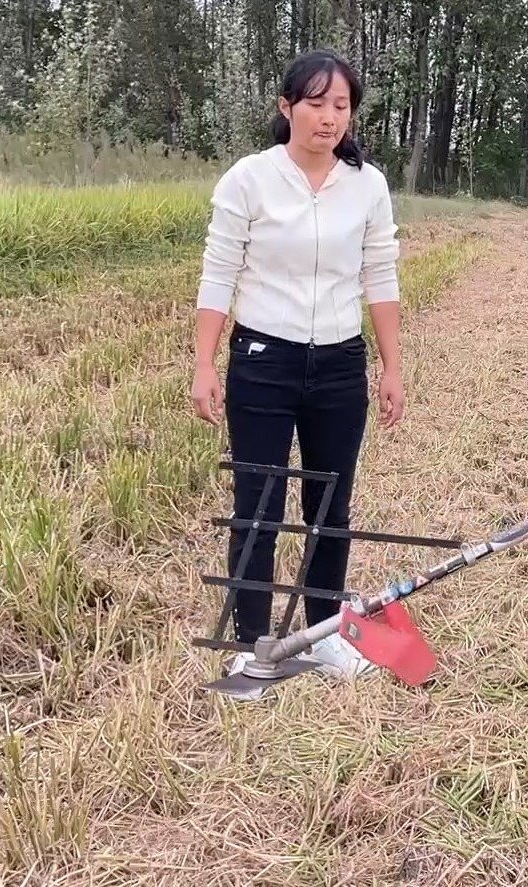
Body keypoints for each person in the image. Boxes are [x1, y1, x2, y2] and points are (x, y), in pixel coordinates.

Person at [190, 48, 405, 682]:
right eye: (316, 104)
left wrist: (392, 366)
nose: (329, 118)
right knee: (258, 504)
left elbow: (380, 276)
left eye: (341, 106)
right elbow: (219, 274)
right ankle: (253, 644)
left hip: (340, 364)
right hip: (263, 360)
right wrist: (205, 363)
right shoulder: (249, 180)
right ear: (287, 108)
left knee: (329, 506)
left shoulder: (366, 185)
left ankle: (324, 631)